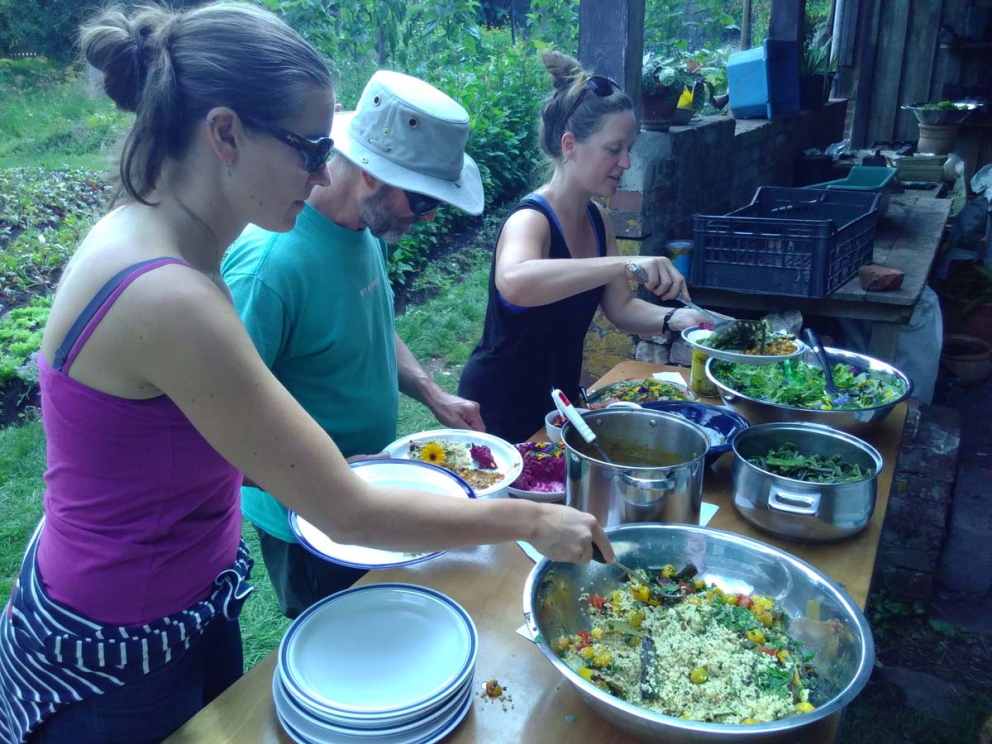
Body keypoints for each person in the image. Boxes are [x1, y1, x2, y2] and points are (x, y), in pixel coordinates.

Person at [0, 8, 612, 744]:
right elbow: (345, 510)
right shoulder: (165, 293)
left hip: (182, 594)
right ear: (224, 134)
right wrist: (533, 519)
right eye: (307, 148)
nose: (327, 173)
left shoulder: (168, 243)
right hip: (122, 649)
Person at [221, 71, 488, 619]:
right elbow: (220, 431)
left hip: (369, 490)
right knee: (346, 650)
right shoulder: (271, 266)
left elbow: (373, 321)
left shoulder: (362, 230)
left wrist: (429, 392)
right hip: (309, 517)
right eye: (421, 199)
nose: (431, 215)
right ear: (370, 175)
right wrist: (334, 478)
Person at [458, 51, 718, 443]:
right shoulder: (531, 219)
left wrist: (675, 320)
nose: (626, 162)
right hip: (499, 408)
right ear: (570, 145)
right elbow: (514, 281)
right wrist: (623, 264)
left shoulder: (598, 218)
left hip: (559, 402)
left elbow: (622, 307)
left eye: (629, 148)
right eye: (614, 149)